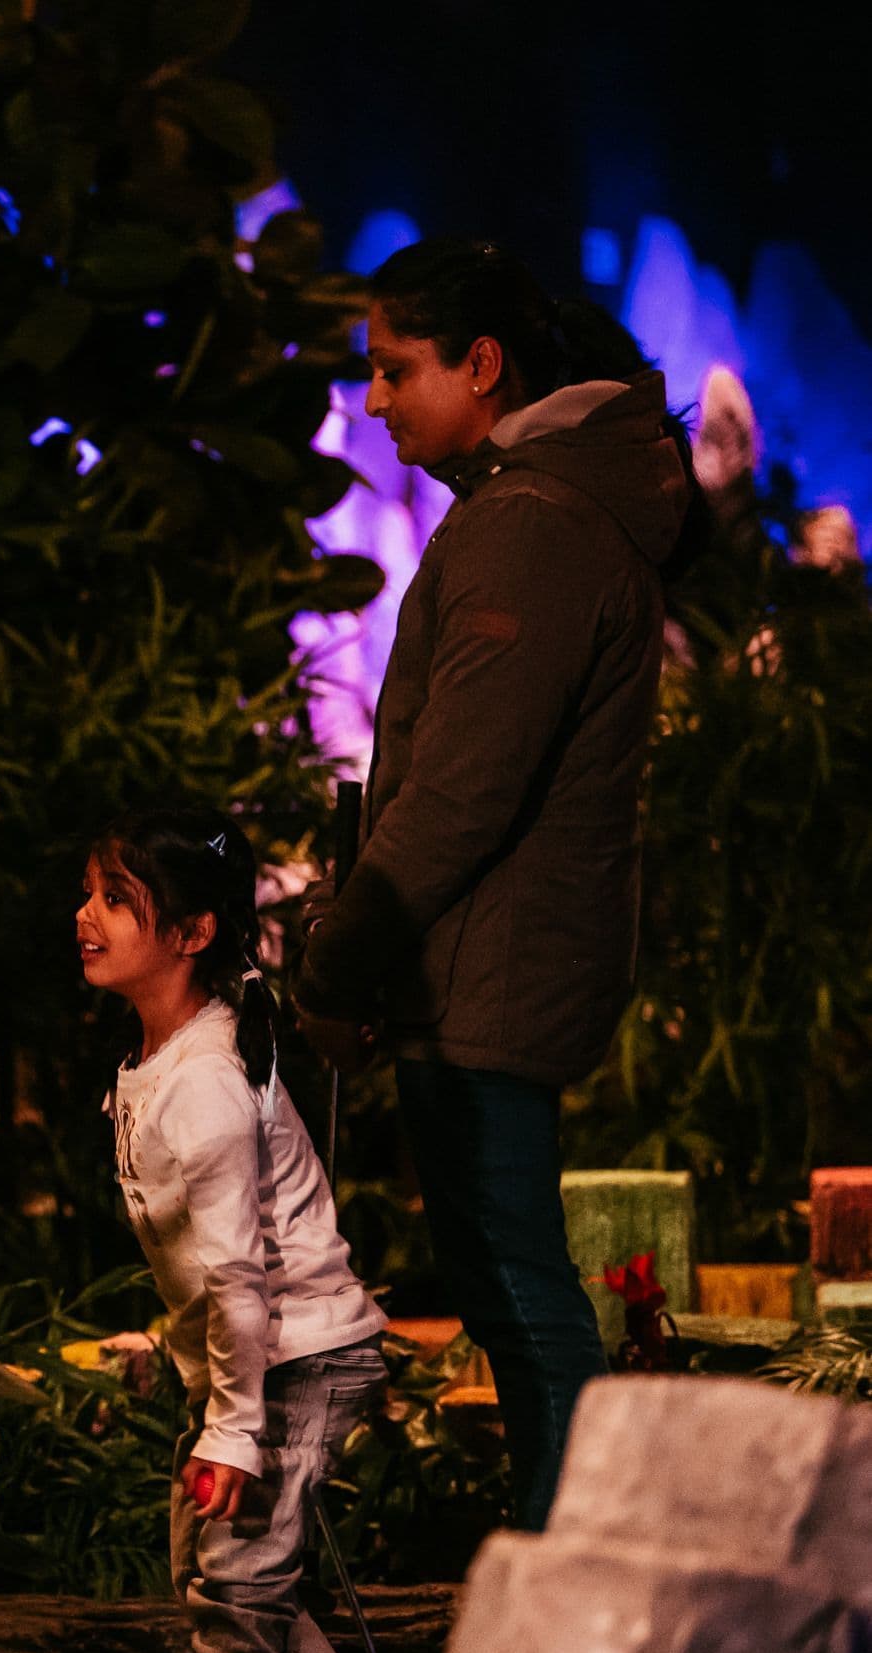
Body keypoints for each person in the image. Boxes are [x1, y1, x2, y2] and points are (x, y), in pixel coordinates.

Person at [296, 238, 698, 1528]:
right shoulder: (531, 508)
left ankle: (578, 1549)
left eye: (392, 368)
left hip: (489, 961)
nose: (372, 401)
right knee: (501, 1276)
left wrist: (340, 949)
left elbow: (462, 788)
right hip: (481, 956)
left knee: (518, 1283)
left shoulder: (527, 526)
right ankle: (560, 1540)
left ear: (481, 366)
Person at [79, 809, 388, 1653]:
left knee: (235, 1586)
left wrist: (235, 1427)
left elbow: (235, 1276)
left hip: (294, 1352)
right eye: (88, 894)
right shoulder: (156, 1061)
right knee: (221, 1576)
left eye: (114, 898)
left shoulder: (208, 1079)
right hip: (256, 1359)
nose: (85, 916)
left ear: (192, 931)